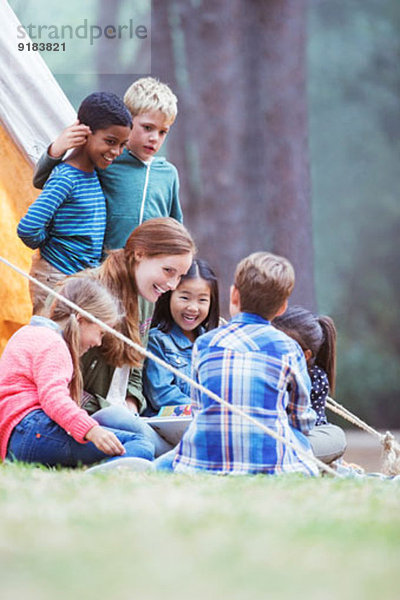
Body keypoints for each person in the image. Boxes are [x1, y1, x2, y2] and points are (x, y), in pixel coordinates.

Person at [171, 251, 319, 476]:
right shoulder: (289, 348)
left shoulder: (204, 343)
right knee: (309, 439)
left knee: (168, 462)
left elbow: (198, 409)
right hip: (268, 461)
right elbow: (302, 419)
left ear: (234, 295)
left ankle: (148, 467)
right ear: (282, 308)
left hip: (205, 459)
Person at [0, 277, 154, 467]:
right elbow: (54, 397)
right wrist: (91, 430)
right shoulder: (54, 344)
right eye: (101, 333)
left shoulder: (26, 333)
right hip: (33, 429)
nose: (98, 342)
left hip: (13, 439)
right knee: (141, 444)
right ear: (81, 319)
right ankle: (96, 478)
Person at [77, 217, 195, 456]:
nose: (172, 284)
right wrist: (112, 410)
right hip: (90, 418)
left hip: (126, 415)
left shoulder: (146, 297)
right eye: (168, 271)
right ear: (140, 254)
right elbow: (61, 380)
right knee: (134, 431)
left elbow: (135, 365)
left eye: (180, 275)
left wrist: (131, 403)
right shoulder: (84, 292)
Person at [32, 77, 182, 252]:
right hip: (98, 270)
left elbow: (174, 227)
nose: (154, 138)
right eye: (147, 127)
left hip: (144, 273)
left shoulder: (168, 174)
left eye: (163, 132)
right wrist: (56, 150)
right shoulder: (106, 160)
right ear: (128, 121)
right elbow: (41, 181)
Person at [17, 92, 132, 314]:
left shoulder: (92, 174)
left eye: (122, 145)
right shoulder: (66, 178)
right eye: (110, 142)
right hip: (56, 278)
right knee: (51, 340)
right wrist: (50, 244)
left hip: (75, 280)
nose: (116, 152)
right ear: (83, 133)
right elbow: (28, 228)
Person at [143, 259, 220, 415]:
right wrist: (207, 411)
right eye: (184, 298)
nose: (192, 308)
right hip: (169, 427)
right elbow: (162, 395)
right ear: (169, 296)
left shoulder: (213, 343)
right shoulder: (157, 341)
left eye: (202, 300)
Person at [273, 305, 347, 464]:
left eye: (285, 346)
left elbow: (307, 424)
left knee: (336, 436)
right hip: (276, 436)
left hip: (306, 434)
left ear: (306, 355)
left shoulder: (315, 377)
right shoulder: (269, 369)